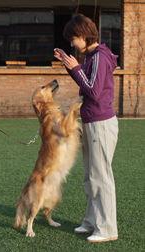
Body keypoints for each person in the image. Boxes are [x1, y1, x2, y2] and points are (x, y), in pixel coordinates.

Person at [54, 14, 118, 243]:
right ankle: (92, 221)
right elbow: (87, 82)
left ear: (82, 34)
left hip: (101, 123)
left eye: (73, 39)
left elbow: (93, 90)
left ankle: (108, 228)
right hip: (91, 122)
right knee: (91, 176)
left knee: (101, 176)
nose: (72, 43)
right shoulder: (92, 56)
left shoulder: (100, 56)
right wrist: (70, 66)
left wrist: (76, 68)